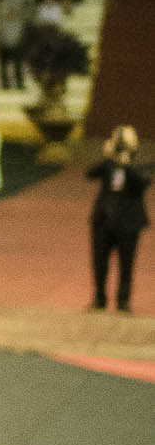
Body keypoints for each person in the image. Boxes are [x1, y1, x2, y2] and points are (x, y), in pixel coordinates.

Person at [89, 124, 148, 312]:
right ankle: (99, 298)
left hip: (129, 223)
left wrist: (127, 165)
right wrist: (108, 157)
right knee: (99, 262)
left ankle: (123, 300)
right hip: (103, 221)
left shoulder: (139, 163)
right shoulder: (108, 164)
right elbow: (90, 174)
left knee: (126, 264)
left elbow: (143, 182)